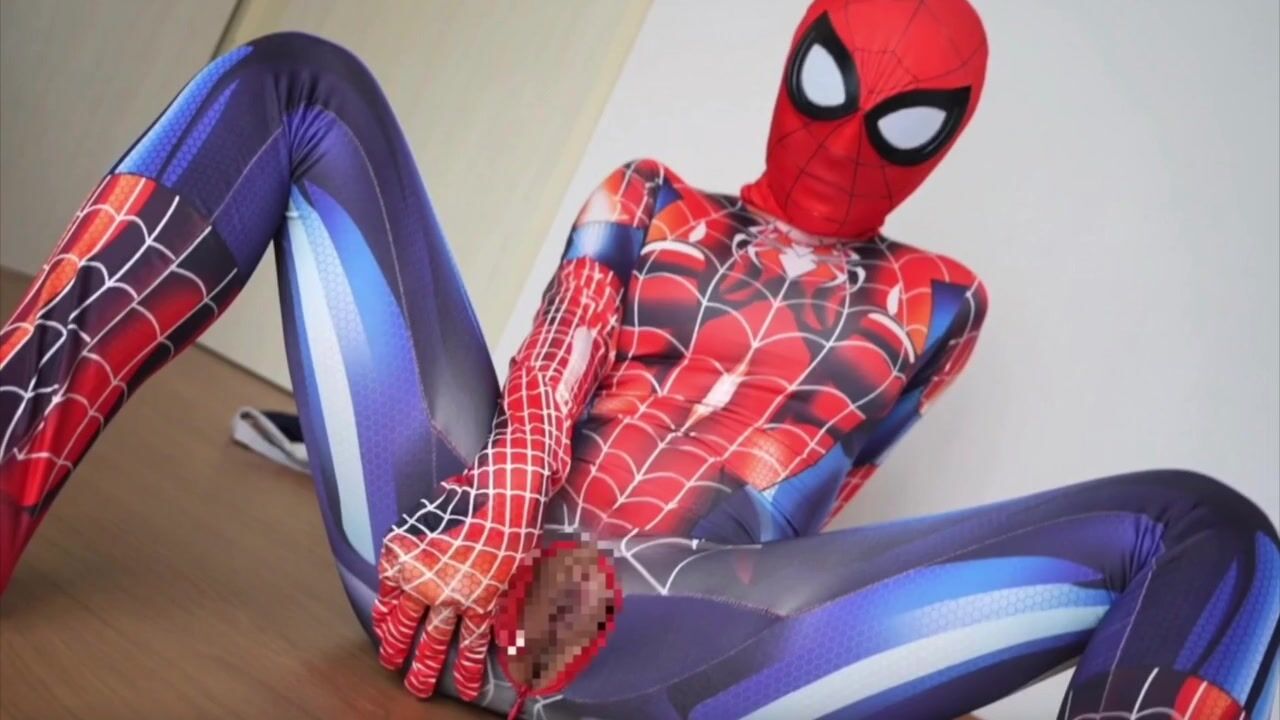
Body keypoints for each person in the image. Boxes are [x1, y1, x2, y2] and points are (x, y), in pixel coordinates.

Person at [1, 2, 1276, 718]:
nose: (847, 137)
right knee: (300, 80)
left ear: (942, 134)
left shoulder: (938, 301)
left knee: (1209, 530)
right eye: (829, 81)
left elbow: (800, 498)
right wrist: (494, 522)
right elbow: (554, 368)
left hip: (684, 642)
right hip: (444, 559)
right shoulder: (649, 195)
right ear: (795, 57)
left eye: (899, 121)